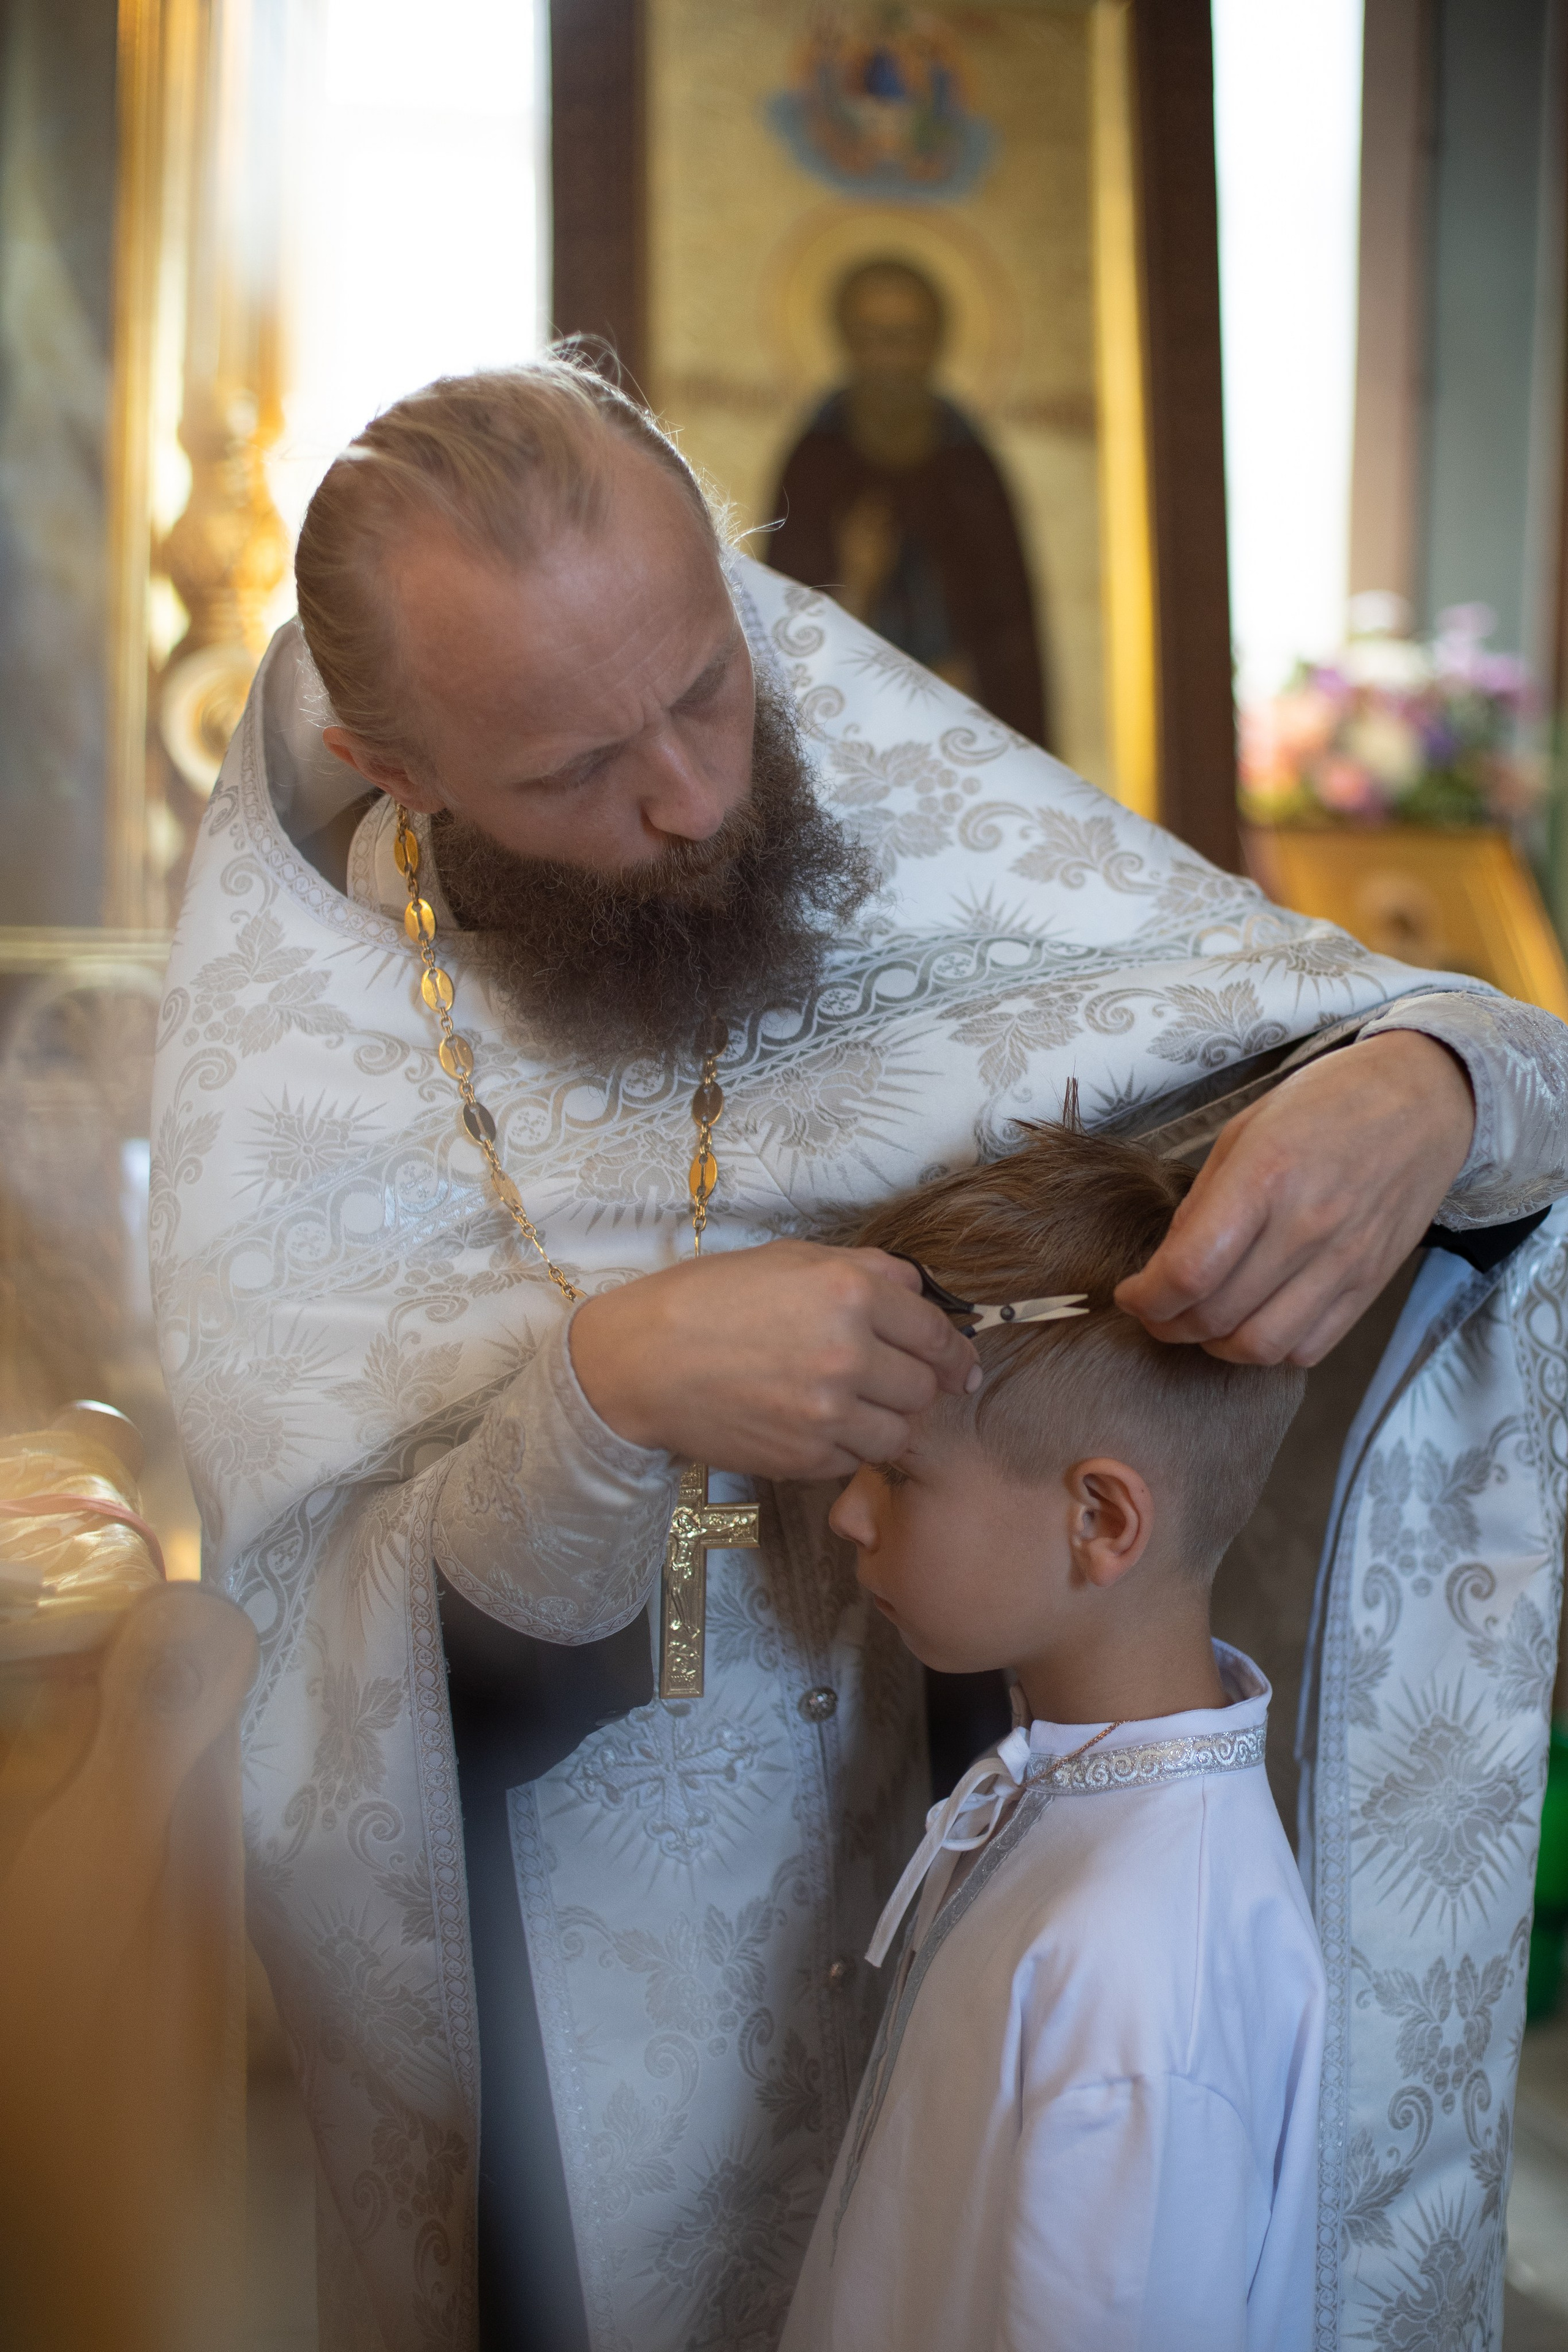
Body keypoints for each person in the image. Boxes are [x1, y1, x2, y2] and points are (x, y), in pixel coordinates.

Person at [149, 355, 1568, 2352]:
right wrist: (604, 1397)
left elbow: (1449, 1043)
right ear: (397, 764)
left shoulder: (874, 779)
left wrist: (1420, 1081)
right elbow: (329, 1681)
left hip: (980, 1871)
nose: (700, 796)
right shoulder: (305, 1065)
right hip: (579, 2046)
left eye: (710, 685)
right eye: (577, 772)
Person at [780, 1123, 1322, 2352]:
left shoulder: (1137, 1972)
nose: (846, 1516)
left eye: (898, 1475)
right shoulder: (1069, 1803)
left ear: (1097, 1519)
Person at [767, 257, 1050, 743]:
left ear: (935, 343)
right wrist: (853, 583)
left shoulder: (969, 463)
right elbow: (783, 627)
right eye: (871, 338)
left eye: (906, 338)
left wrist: (968, 680)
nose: (889, 361)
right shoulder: (816, 460)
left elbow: (1009, 636)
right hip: (845, 738)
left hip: (961, 732)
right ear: (847, 342)